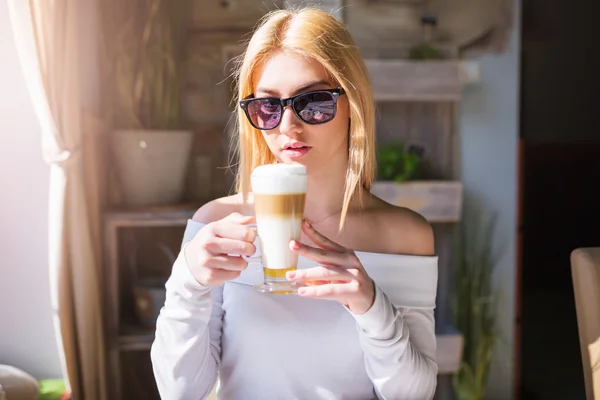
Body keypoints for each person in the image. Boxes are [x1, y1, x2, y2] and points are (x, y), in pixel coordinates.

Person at [151, 7, 438, 400]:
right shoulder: (215, 226)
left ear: (353, 102)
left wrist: (371, 305)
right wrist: (187, 280)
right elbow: (179, 392)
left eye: (314, 102)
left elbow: (413, 395)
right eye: (268, 106)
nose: (288, 126)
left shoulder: (405, 236)